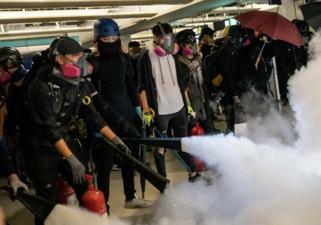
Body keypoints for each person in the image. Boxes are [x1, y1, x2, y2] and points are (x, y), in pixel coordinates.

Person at [23, 37, 131, 225]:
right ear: (59, 59)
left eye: (82, 55)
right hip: (41, 148)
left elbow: (94, 116)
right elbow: (49, 129)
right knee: (47, 202)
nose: (81, 60)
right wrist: (71, 159)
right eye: (75, 56)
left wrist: (116, 140)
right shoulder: (40, 87)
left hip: (65, 138)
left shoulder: (80, 83)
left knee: (86, 189)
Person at [87, 18, 152, 209]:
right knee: (104, 166)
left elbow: (131, 86)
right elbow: (89, 97)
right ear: (97, 40)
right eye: (106, 39)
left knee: (129, 161)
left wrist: (139, 109)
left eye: (114, 38)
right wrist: (94, 124)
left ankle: (130, 197)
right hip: (105, 122)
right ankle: (103, 205)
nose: (110, 42)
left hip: (128, 116)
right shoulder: (92, 64)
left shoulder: (124, 59)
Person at [137, 22, 201, 181]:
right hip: (160, 110)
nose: (167, 42)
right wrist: (146, 109)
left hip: (178, 106)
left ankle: (193, 173)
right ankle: (163, 179)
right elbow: (142, 87)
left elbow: (182, 85)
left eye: (170, 37)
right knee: (161, 147)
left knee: (183, 142)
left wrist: (188, 106)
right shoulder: (145, 59)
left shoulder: (174, 55)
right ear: (155, 38)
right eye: (163, 39)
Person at [0, 47, 30, 179]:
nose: (1, 73)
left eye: (3, 69)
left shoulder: (32, 81)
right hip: (23, 134)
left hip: (40, 135)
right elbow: (11, 111)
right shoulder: (11, 87)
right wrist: (10, 134)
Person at [175, 29, 208, 130]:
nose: (193, 45)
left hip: (203, 98)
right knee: (193, 128)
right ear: (181, 45)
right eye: (189, 44)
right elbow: (182, 87)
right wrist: (187, 105)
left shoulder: (198, 59)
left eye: (194, 42)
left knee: (206, 126)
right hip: (190, 102)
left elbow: (205, 77)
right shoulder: (178, 63)